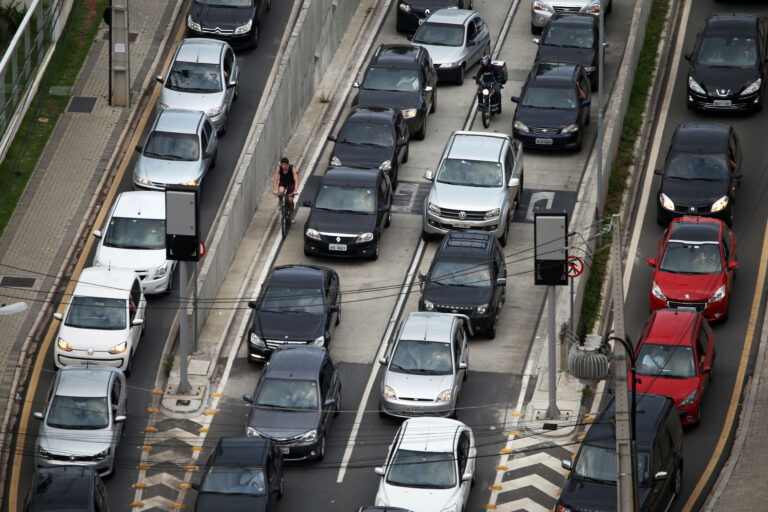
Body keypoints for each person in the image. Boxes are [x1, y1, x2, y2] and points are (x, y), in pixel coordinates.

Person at [272, 157, 299, 222]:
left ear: (287, 164)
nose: (283, 166)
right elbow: (275, 179)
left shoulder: (292, 168)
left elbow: (296, 180)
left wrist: (295, 190)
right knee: (280, 191)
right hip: (283, 182)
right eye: (282, 165)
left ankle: (292, 214)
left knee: (290, 200)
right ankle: (280, 201)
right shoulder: (279, 168)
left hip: (291, 183)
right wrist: (275, 189)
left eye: (284, 165)